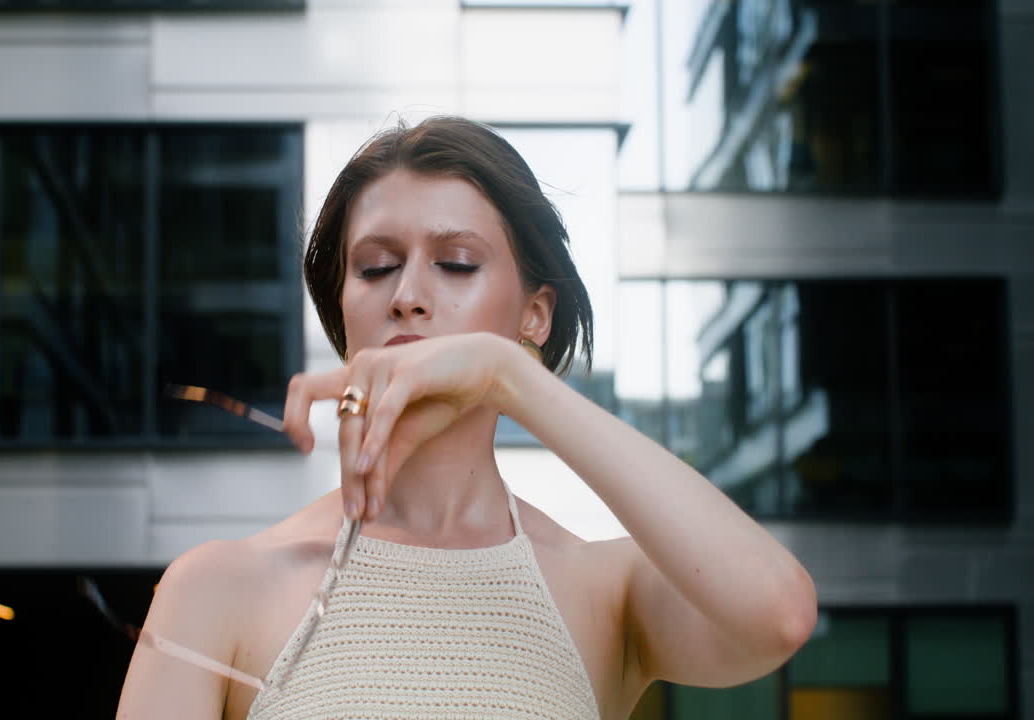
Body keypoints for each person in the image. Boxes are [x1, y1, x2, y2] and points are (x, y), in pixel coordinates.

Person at [115, 116, 817, 720]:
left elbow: (777, 614)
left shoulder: (600, 587)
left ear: (534, 315)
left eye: (455, 264)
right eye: (375, 267)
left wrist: (510, 377)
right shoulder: (221, 587)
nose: (409, 296)